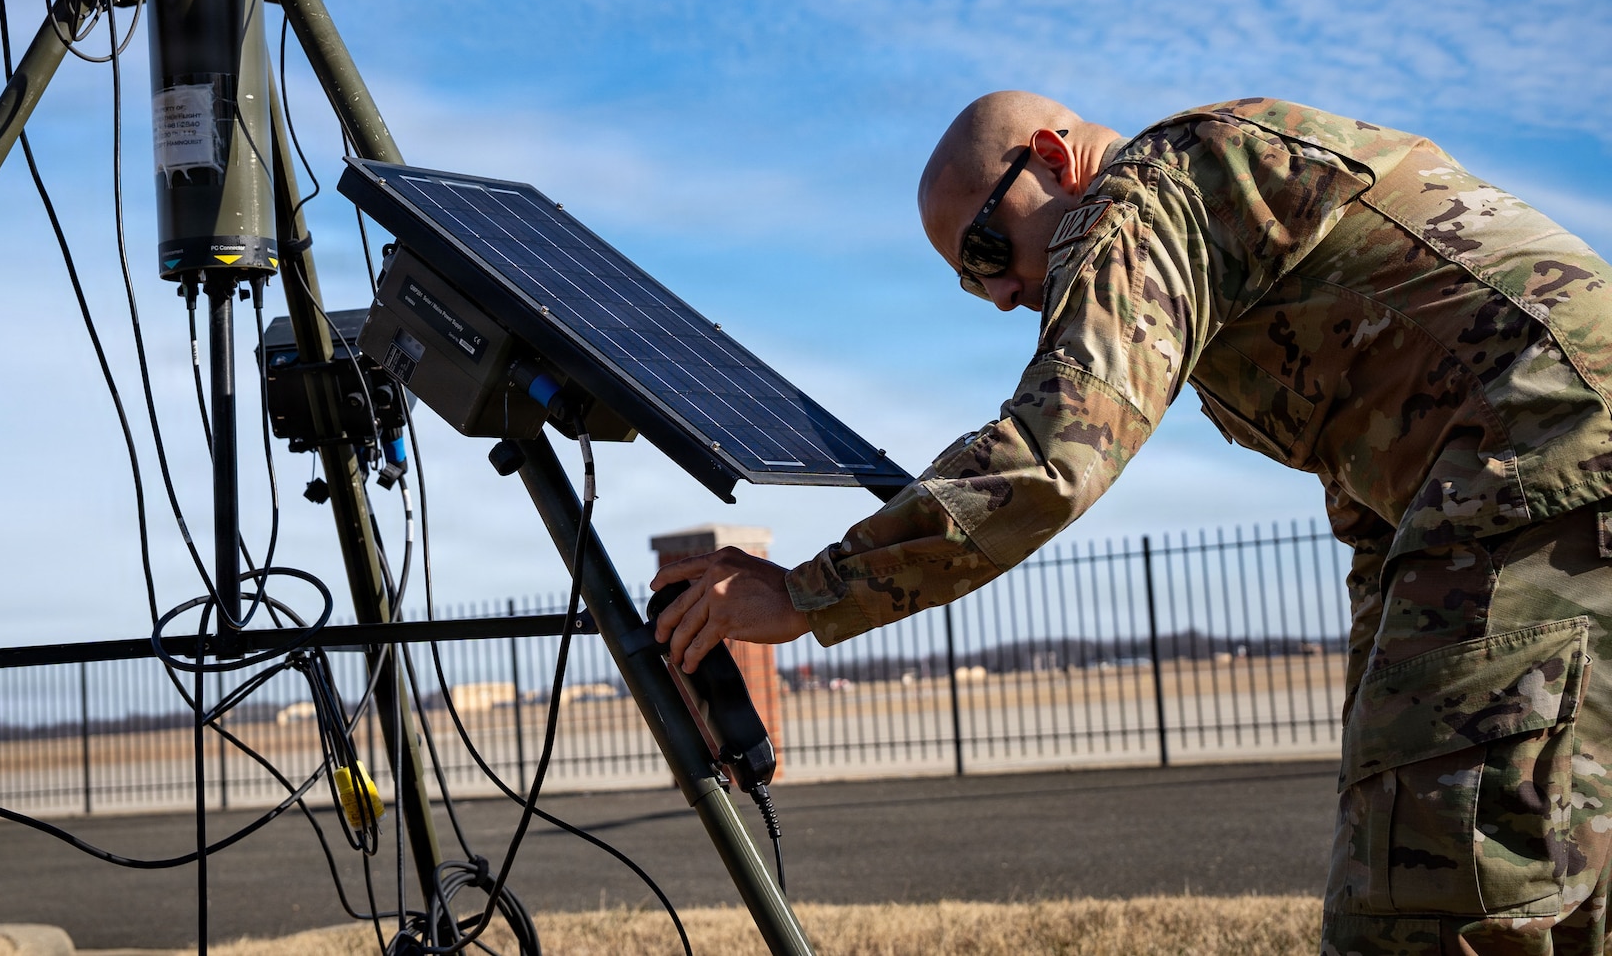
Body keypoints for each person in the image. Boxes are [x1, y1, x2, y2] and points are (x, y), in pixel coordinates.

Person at [651, 92, 1612, 955]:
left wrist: (807, 588)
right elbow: (1375, 473)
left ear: (1057, 158)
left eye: (988, 248)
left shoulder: (1148, 190)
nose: (997, 292)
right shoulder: (1235, 211)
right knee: (1568, 874)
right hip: (1540, 481)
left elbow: (1050, 454)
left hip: (1540, 469)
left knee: (1427, 895)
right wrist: (1385, 689)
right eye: (966, 279)